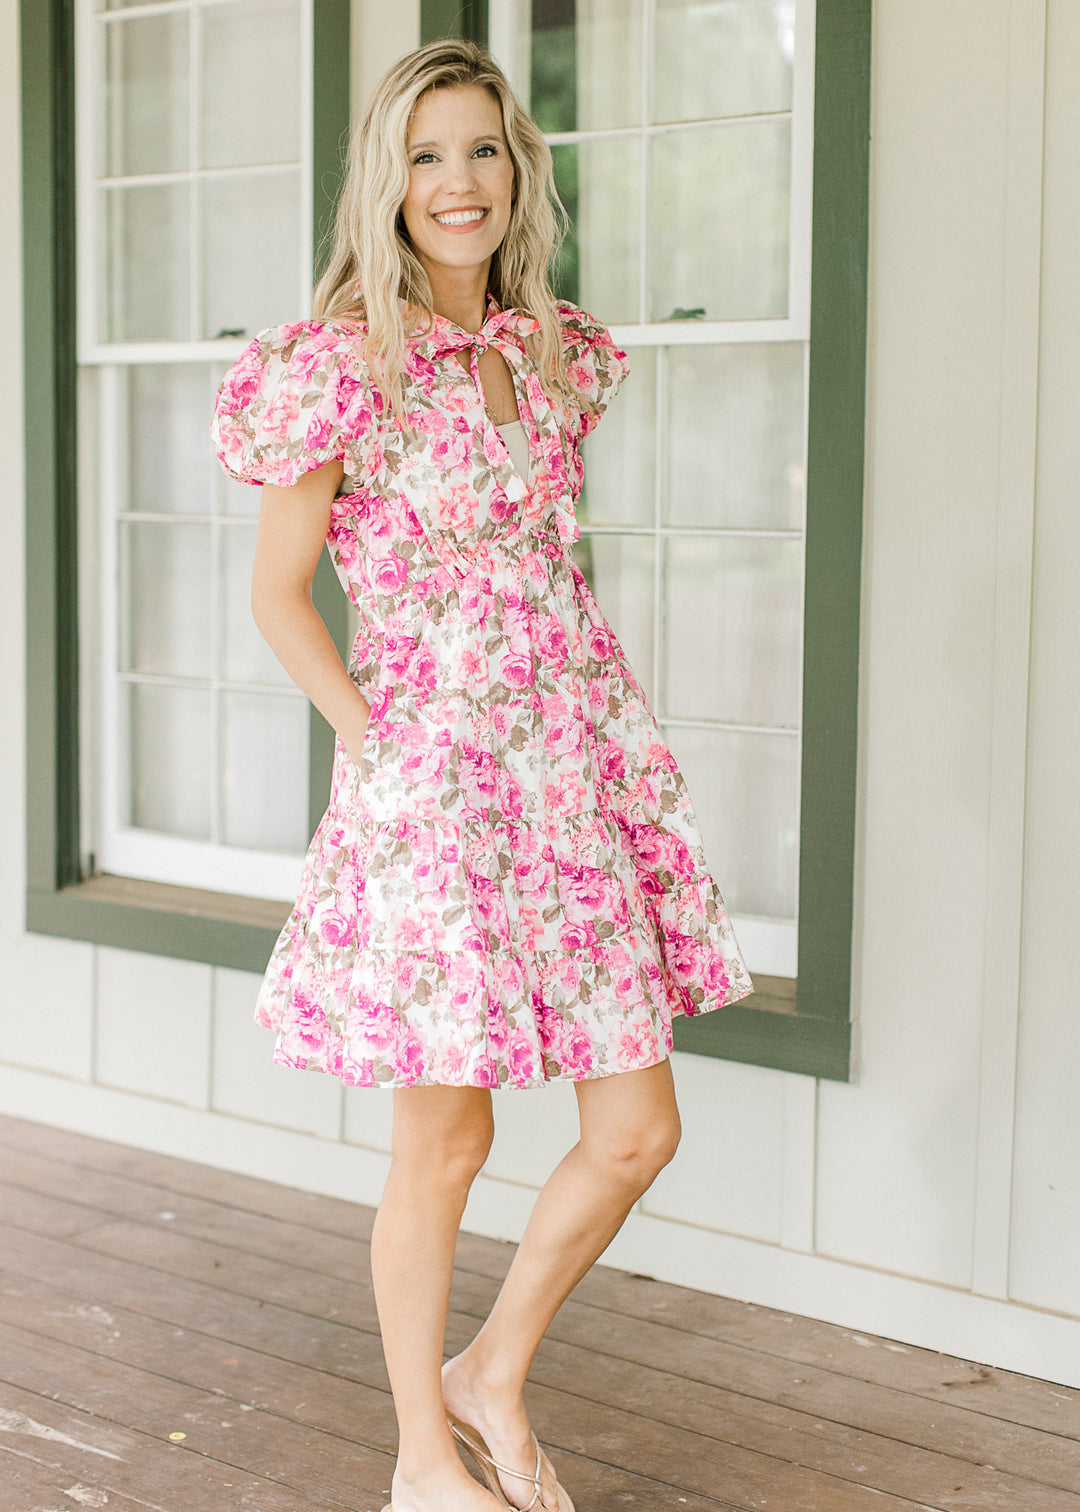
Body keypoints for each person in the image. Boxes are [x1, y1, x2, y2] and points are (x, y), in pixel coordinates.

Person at [210, 37, 753, 1512]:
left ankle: (491, 1368)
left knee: (636, 1129)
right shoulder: (339, 364)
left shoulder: (552, 350)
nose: (459, 182)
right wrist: (374, 740)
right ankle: (420, 1458)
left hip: (572, 771)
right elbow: (279, 595)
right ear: (386, 182)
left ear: (519, 170)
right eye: (427, 155)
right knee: (447, 1140)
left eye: (483, 150)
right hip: (435, 788)